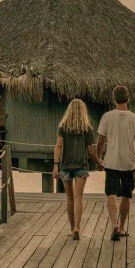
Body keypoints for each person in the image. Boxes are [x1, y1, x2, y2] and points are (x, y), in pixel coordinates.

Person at [96, 86, 135, 241]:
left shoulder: (107, 116)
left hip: (111, 162)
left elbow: (100, 141)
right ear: (128, 98)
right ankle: (122, 226)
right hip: (128, 163)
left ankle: (113, 223)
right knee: (126, 195)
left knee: (111, 194)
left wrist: (98, 158)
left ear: (114, 99)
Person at [53, 99, 103, 239]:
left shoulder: (63, 127)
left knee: (69, 198)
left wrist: (55, 165)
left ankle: (71, 228)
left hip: (66, 166)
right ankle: (77, 227)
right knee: (78, 197)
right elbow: (90, 151)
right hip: (81, 166)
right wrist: (98, 163)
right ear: (83, 111)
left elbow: (58, 146)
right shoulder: (87, 128)